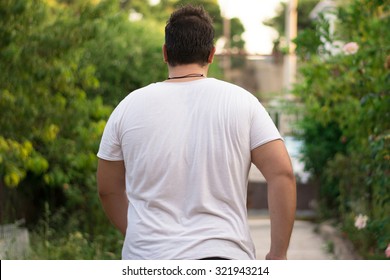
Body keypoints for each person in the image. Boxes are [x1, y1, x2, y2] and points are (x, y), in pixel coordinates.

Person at [97, 4, 296, 260]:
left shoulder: (128, 107)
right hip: (224, 257)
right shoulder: (242, 102)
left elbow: (107, 189)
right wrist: (278, 254)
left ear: (165, 53)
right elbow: (282, 174)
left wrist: (141, 234)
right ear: (212, 54)